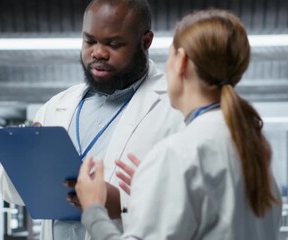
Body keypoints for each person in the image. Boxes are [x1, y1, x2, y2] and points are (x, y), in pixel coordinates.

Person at [75, 9, 282, 240]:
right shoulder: (254, 150)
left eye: (170, 56)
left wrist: (93, 209)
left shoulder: (177, 153)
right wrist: (150, 197)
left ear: (181, 61)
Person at [0, 0, 183, 239]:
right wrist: (23, 163)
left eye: (114, 43)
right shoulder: (56, 107)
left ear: (145, 41)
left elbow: (195, 206)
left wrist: (126, 202)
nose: (98, 52)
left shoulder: (174, 108)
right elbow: (10, 192)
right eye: (89, 41)